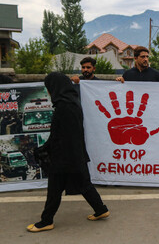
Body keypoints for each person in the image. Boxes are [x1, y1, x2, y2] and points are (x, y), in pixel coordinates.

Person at [27, 72, 109, 233]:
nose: (49, 92)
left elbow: (62, 135)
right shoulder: (71, 102)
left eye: (49, 88)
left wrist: (49, 150)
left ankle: (46, 221)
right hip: (74, 154)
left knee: (54, 189)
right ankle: (101, 210)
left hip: (65, 156)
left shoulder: (64, 107)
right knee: (84, 184)